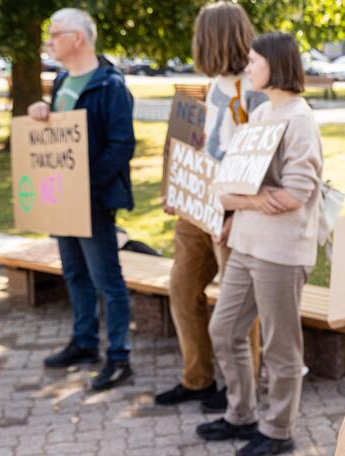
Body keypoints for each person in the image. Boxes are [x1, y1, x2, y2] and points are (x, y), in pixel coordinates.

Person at [196, 32, 322, 456]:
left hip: (281, 253)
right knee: (224, 329)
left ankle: (278, 429)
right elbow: (225, 187)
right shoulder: (262, 112)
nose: (247, 66)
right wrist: (246, 202)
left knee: (280, 347)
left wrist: (244, 196)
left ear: (276, 64)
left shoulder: (299, 119)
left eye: (254, 61)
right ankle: (241, 414)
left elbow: (297, 193)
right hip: (246, 242)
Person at [155, 1, 264, 412]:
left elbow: (257, 157)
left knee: (238, 307)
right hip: (195, 209)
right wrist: (176, 189)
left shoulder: (254, 89)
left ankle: (242, 388)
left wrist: (235, 212)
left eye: (200, 34)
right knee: (183, 289)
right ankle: (197, 378)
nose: (195, 42)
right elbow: (200, 148)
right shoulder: (215, 85)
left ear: (214, 38)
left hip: (230, 213)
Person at [29, 8, 136, 390]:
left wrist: (85, 185)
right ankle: (85, 342)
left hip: (90, 201)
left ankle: (120, 357)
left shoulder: (110, 85)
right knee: (74, 274)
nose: (51, 41)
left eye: (55, 34)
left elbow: (122, 145)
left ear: (78, 37)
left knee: (107, 279)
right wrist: (40, 111)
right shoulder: (61, 81)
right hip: (62, 200)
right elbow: (57, 133)